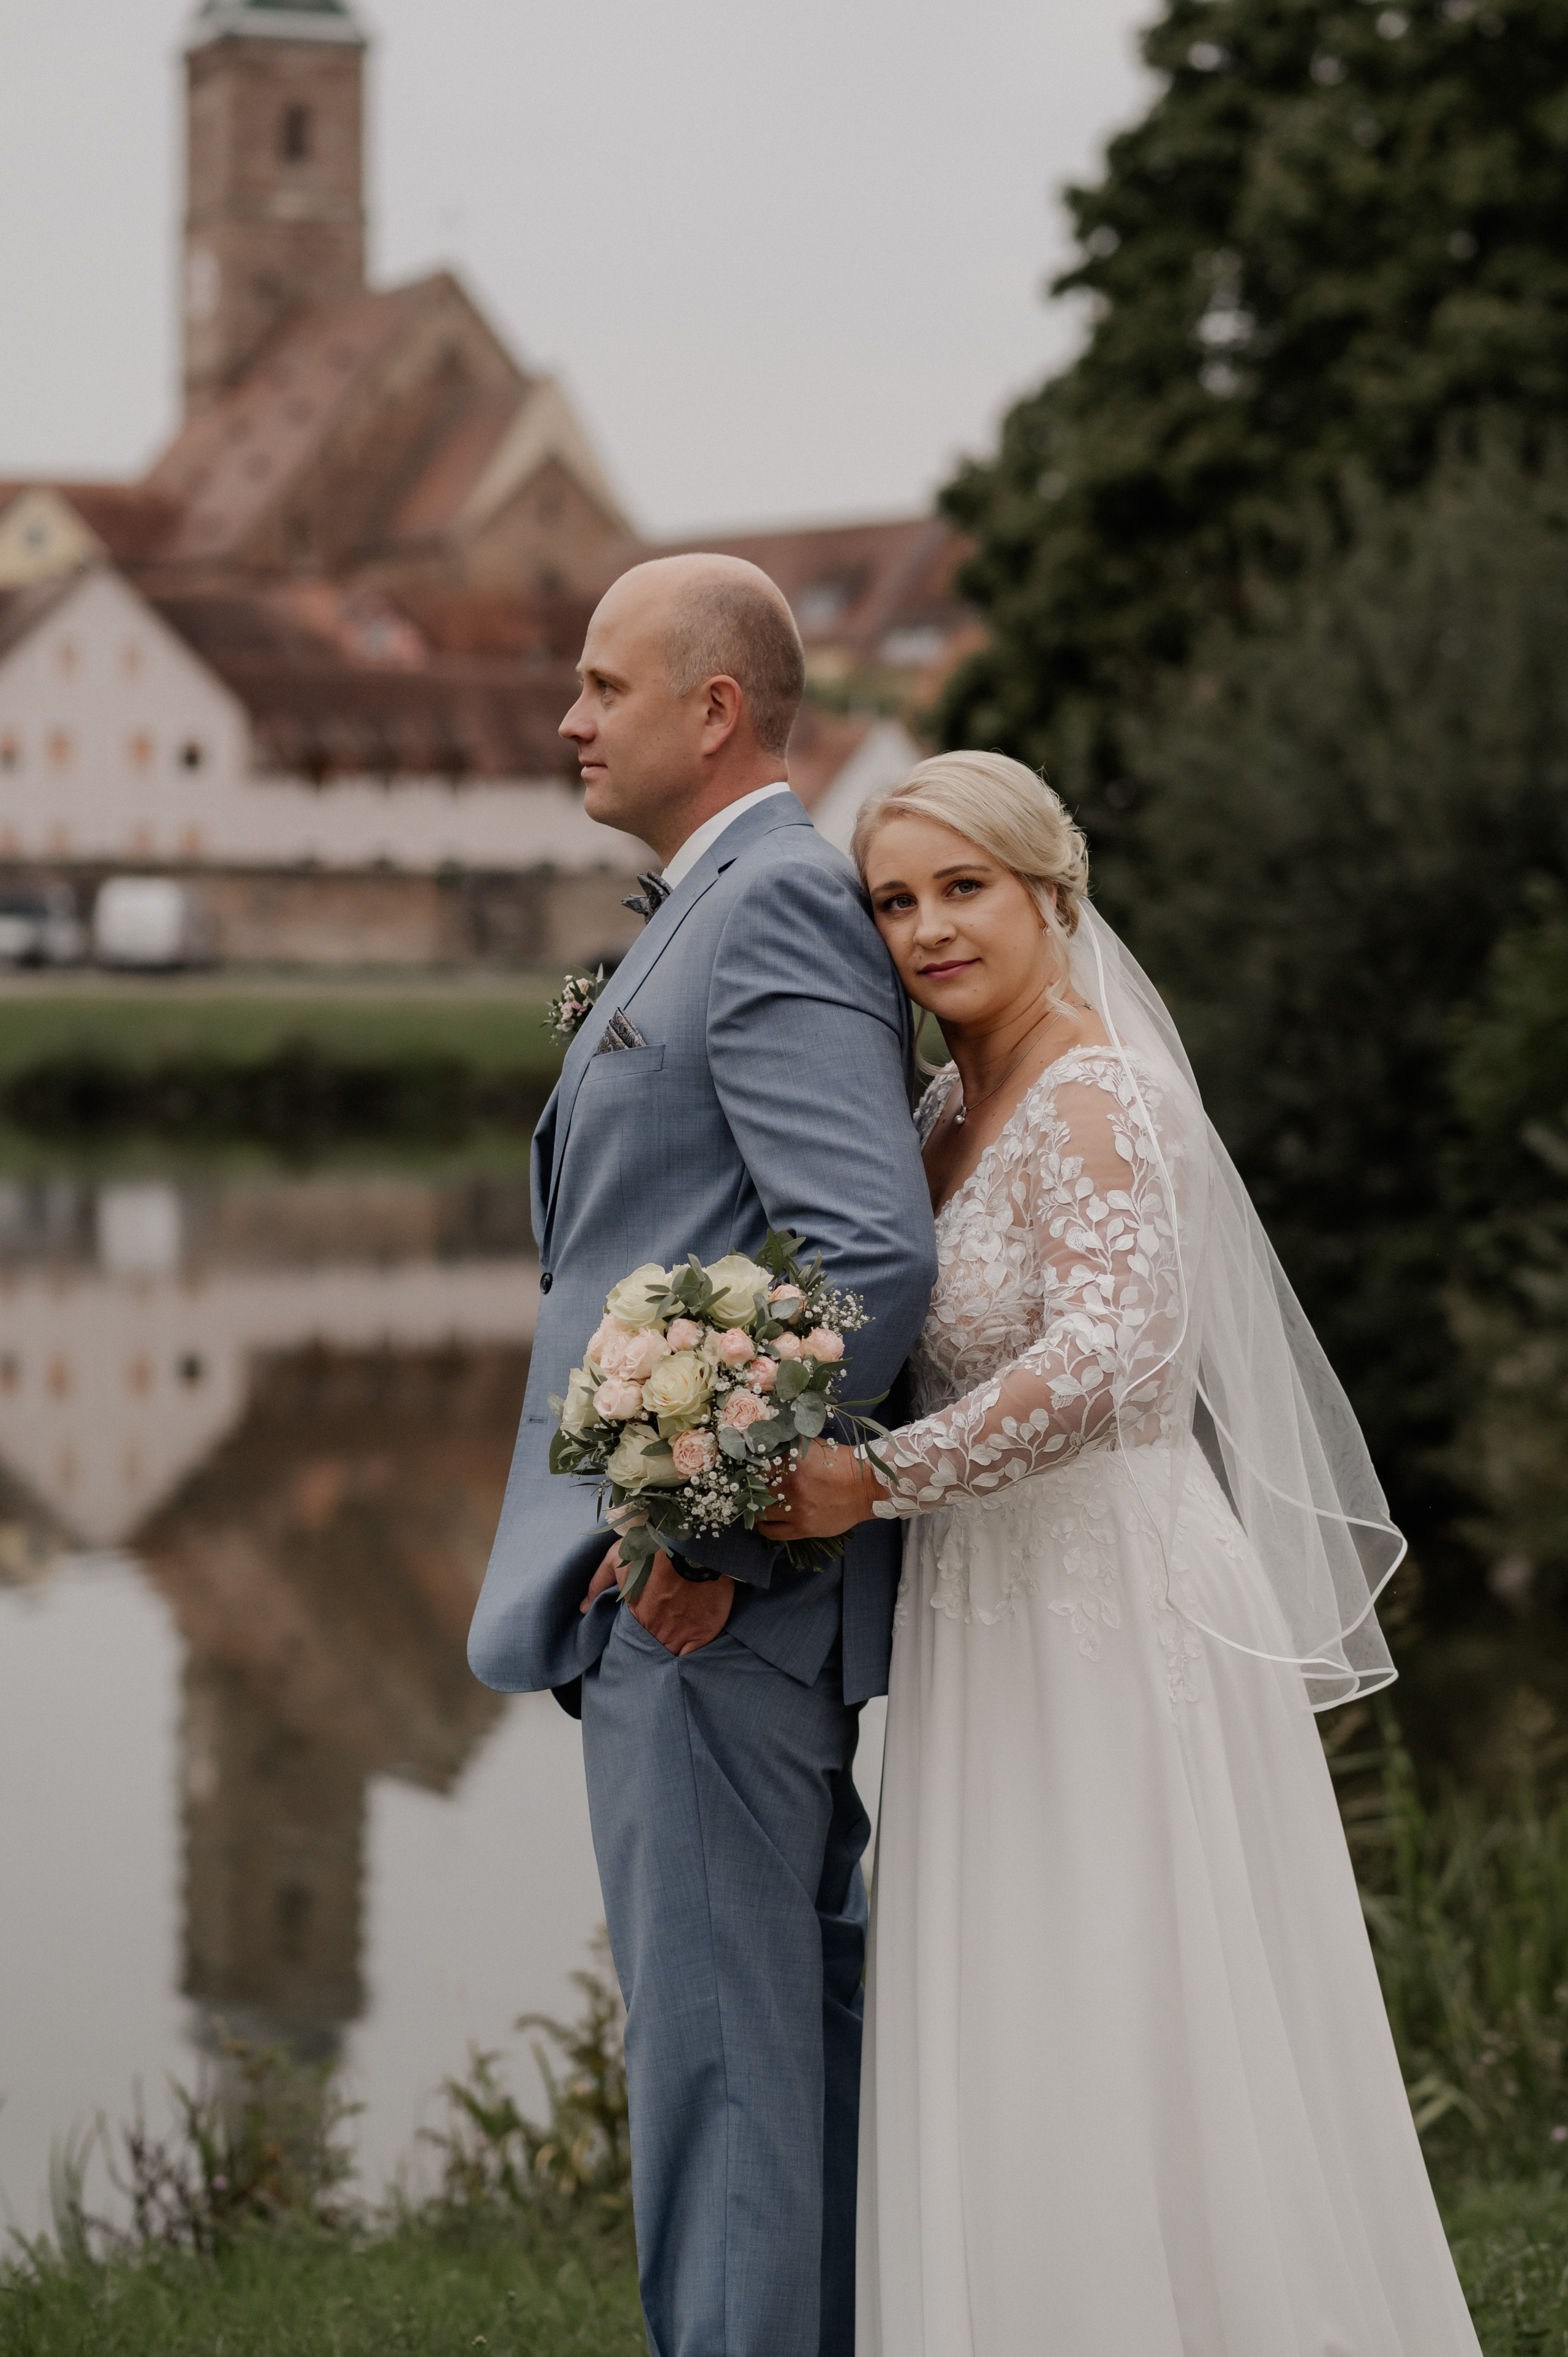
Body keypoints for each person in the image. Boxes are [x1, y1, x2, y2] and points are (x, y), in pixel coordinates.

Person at [764, 751, 1483, 2355]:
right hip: (981, 1609)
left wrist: (874, 1480)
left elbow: (1115, 1358)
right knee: (1010, 1998)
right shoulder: (947, 1108)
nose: (931, 927)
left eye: (966, 889)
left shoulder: (1105, 1091)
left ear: (1052, 895)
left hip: (1109, 1599)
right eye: (897, 900)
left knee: (1126, 1989)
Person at [468, 554, 937, 2357]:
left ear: (715, 707)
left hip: (710, 1613)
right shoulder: (705, 902)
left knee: (725, 2085)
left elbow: (867, 1251)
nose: (571, 718)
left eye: (603, 684)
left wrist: (704, 1532)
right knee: (775, 2059)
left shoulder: (773, 907)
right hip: (704, 1608)